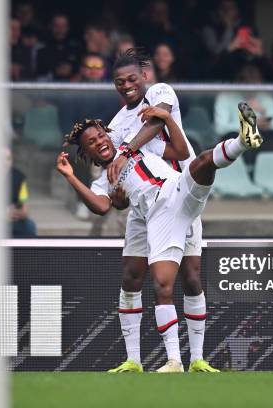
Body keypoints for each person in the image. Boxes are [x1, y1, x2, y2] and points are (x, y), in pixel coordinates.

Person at [57, 102, 262, 372]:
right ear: (86, 153)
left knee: (201, 162)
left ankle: (243, 142)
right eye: (92, 142)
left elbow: (180, 151)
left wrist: (166, 117)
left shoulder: (136, 146)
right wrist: (71, 176)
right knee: (153, 283)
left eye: (101, 136)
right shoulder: (103, 181)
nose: (100, 142)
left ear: (108, 134)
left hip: (176, 191)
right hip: (155, 214)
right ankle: (159, 361)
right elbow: (101, 206)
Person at [95, 48, 217, 373]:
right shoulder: (117, 125)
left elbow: (156, 120)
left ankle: (198, 359)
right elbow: (118, 181)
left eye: (132, 79)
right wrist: (118, 194)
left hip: (179, 196)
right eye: (119, 82)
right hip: (144, 206)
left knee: (191, 277)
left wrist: (125, 150)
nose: (126, 86)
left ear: (144, 76)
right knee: (132, 277)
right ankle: (133, 360)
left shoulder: (160, 92)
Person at [5, 147, 36, 237]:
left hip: (12, 219)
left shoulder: (19, 177)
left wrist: (17, 213)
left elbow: (25, 208)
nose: (4, 162)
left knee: (29, 226)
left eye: (7, 159)